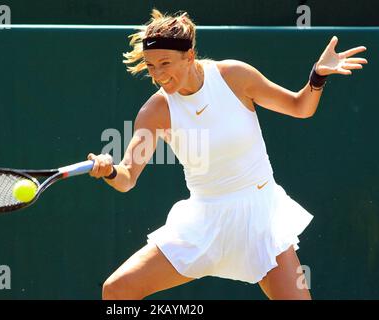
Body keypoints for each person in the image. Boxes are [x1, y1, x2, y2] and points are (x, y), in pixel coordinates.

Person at [87, 9, 368, 300]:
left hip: (260, 217)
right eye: (151, 65)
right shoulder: (155, 111)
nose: (157, 74)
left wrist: (318, 76)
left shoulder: (234, 76)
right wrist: (109, 169)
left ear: (190, 55)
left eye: (165, 63)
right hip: (202, 223)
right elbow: (127, 177)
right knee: (118, 291)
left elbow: (300, 107)